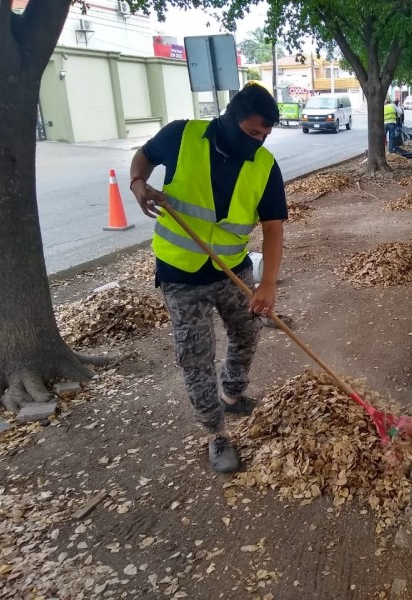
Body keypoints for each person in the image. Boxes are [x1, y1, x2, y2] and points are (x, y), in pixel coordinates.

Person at [128, 83, 287, 473]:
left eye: (265, 135)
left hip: (232, 269)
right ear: (229, 120)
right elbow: (143, 158)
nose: (258, 142)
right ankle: (215, 433)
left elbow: (274, 227)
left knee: (248, 332)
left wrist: (267, 284)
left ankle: (232, 395)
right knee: (195, 353)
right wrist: (138, 184)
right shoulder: (182, 136)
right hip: (180, 272)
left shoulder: (264, 165)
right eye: (253, 133)